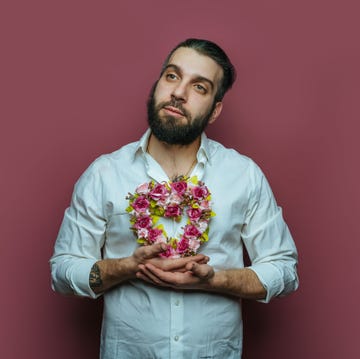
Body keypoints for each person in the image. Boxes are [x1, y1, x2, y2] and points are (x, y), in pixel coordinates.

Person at [50, 38, 299, 358]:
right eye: (172, 76)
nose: (179, 92)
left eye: (199, 87)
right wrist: (127, 267)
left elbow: (284, 270)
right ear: (157, 86)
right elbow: (63, 272)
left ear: (214, 110)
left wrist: (215, 280)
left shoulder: (244, 175)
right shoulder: (104, 174)